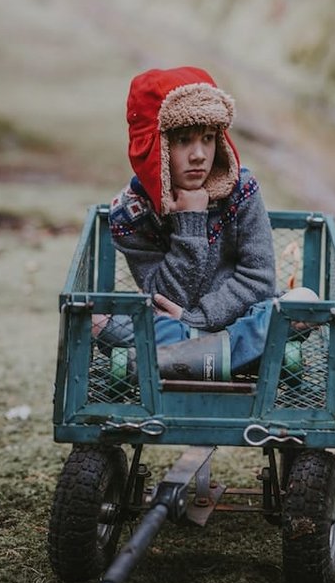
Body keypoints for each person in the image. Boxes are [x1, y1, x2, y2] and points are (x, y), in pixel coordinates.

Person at [93, 65, 316, 381]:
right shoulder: (132, 213)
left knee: (303, 303)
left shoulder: (242, 190)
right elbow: (164, 296)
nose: (199, 154)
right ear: (156, 146)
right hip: (173, 324)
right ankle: (237, 357)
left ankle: (176, 359)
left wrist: (197, 320)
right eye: (183, 140)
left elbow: (258, 280)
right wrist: (191, 221)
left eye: (208, 138)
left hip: (235, 319)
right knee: (97, 319)